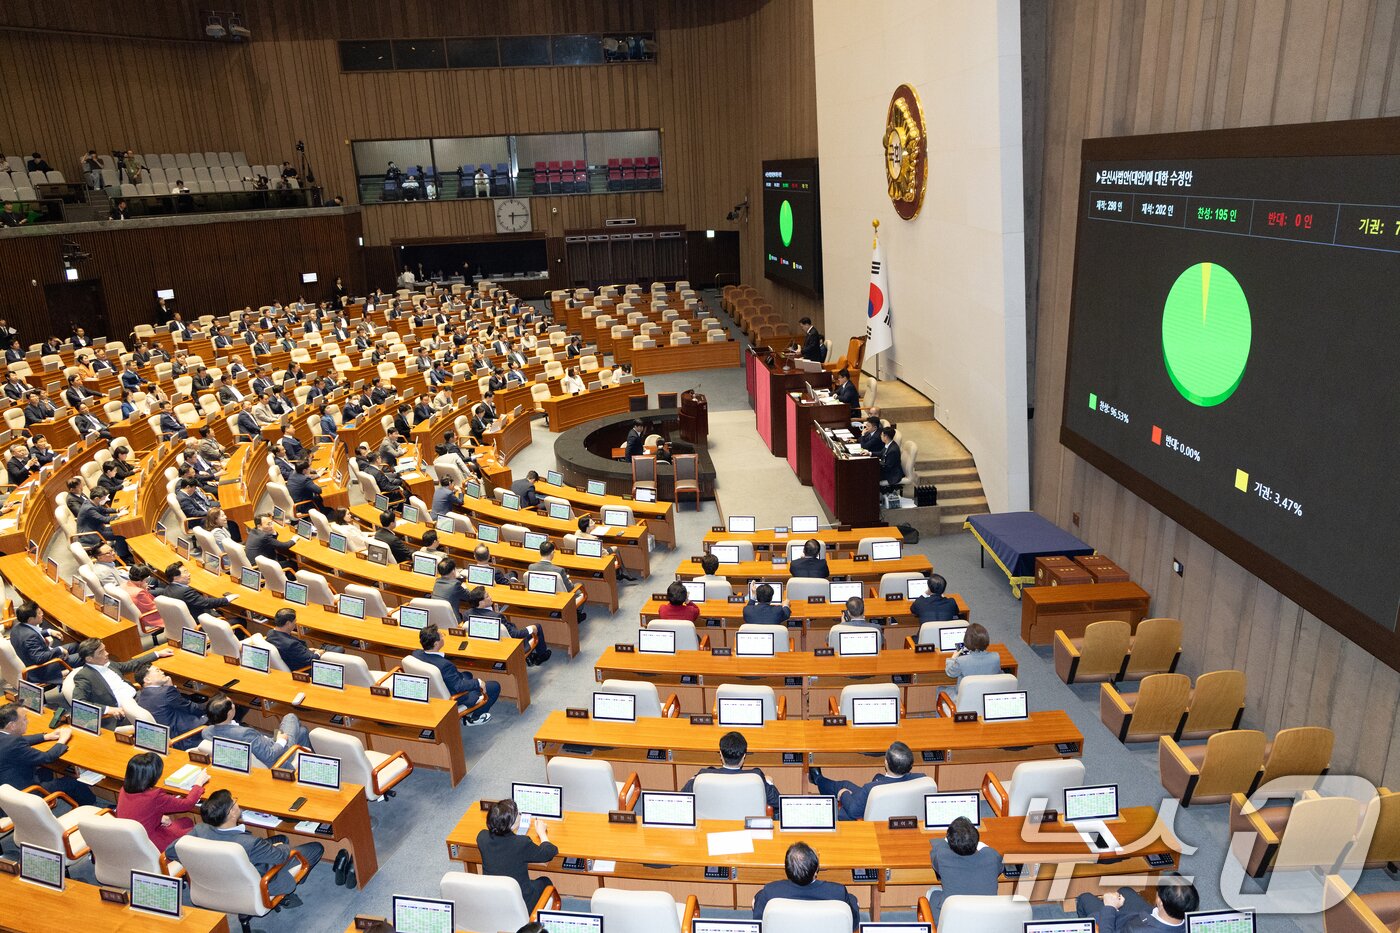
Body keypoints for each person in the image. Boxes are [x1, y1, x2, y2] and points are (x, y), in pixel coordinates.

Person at [189, 789, 323, 908]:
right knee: (315, 848)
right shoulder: (250, 843)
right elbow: (281, 855)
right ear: (231, 813)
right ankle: (293, 882)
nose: (236, 803)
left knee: (280, 838)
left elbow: (172, 851)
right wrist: (279, 847)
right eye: (233, 801)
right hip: (261, 883)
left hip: (219, 881)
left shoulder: (199, 829)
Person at [0, 703, 98, 809]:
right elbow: (47, 758)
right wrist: (62, 740)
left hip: (7, 786)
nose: (27, 721)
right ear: (12, 725)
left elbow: (19, 740)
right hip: (23, 793)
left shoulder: (7, 737)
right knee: (73, 782)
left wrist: (46, 737)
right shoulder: (13, 743)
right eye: (24, 719)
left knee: (46, 771)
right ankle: (91, 807)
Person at [117, 751, 207, 858]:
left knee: (185, 822)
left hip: (130, 841)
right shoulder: (154, 797)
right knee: (193, 828)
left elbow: (136, 812)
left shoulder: (124, 789)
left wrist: (158, 818)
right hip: (151, 845)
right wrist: (198, 784)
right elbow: (188, 804)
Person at [809, 741, 927, 821]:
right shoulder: (922, 779)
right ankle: (818, 779)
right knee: (846, 784)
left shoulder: (872, 789)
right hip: (906, 819)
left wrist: (843, 794)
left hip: (874, 821)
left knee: (843, 789)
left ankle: (818, 779)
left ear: (886, 762)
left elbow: (854, 812)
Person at [753, 842, 859, 928]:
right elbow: (852, 924)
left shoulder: (771, 891)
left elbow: (759, 923)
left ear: (787, 870)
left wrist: (757, 898)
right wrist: (853, 900)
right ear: (816, 871)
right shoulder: (838, 892)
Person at [411, 624, 500, 725]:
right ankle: (475, 718)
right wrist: (478, 682)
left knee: (467, 674)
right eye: (441, 637)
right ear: (436, 644)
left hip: (432, 691)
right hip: (454, 696)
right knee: (494, 686)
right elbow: (458, 687)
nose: (443, 637)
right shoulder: (445, 665)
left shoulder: (416, 653)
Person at [70, 638, 171, 725]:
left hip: (139, 696)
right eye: (101, 652)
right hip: (125, 712)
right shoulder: (84, 676)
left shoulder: (108, 664)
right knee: (166, 707)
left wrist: (157, 654)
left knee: (169, 698)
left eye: (104, 649)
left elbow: (131, 664)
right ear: (89, 659)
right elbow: (79, 703)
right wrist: (108, 709)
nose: (107, 653)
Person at [477, 798, 557, 907]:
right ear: (512, 824)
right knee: (545, 881)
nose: (520, 815)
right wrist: (542, 833)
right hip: (522, 903)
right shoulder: (521, 843)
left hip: (494, 899)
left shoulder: (482, 837)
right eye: (518, 814)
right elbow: (549, 852)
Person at [922, 815, 1005, 914]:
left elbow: (939, 847)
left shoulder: (942, 856)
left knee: (932, 892)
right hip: (986, 918)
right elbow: (1000, 867)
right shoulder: (992, 857)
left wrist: (947, 839)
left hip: (952, 920)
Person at [203, 693, 310, 768]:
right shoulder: (245, 734)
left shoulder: (206, 732)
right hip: (279, 758)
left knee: (302, 731)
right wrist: (281, 741)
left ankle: (309, 761)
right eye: (232, 704)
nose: (234, 705)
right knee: (290, 717)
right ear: (229, 714)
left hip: (264, 746)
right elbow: (270, 756)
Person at [683, 730, 780, 810]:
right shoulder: (757, 778)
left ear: (720, 754)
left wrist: (693, 780)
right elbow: (778, 802)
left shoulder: (703, 776)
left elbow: (682, 797)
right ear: (744, 756)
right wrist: (768, 782)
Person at [1076, 872, 1200, 933]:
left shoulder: (1135, 930)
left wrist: (1110, 908)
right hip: (1145, 917)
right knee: (1126, 891)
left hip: (1120, 926)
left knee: (1084, 898)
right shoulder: (1194, 927)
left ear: (1160, 902)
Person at [463, 586, 550, 665]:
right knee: (537, 626)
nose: (491, 597)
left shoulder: (467, 614)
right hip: (511, 646)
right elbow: (515, 635)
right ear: (481, 602)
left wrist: (494, 613)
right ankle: (542, 655)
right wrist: (531, 629)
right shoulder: (497, 617)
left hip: (486, 646)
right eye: (487, 596)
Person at [135, 662, 208, 749]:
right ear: (147, 680)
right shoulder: (165, 692)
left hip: (166, 737)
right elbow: (195, 709)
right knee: (218, 711)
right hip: (184, 738)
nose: (162, 672)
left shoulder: (141, 696)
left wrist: (170, 687)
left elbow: (175, 702)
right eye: (157, 671)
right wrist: (214, 703)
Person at [9, 602, 77, 687]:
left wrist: (49, 632)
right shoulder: (30, 637)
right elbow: (39, 658)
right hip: (43, 669)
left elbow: (32, 634)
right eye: (39, 613)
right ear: (30, 619)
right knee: (81, 656)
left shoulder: (17, 627)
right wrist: (59, 649)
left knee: (76, 645)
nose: (42, 614)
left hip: (33, 659)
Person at [157, 561, 239, 617]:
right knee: (239, 620)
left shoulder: (167, 589)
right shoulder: (185, 592)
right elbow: (206, 603)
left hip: (187, 618)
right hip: (199, 620)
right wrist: (227, 599)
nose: (189, 574)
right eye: (185, 572)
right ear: (175, 578)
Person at [77, 486, 131, 560]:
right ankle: (123, 557)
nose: (106, 499)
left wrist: (118, 510)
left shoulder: (91, 502)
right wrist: (119, 515)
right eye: (104, 498)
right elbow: (105, 519)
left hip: (99, 528)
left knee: (120, 530)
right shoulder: (89, 509)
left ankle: (122, 552)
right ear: (97, 498)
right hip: (92, 534)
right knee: (120, 535)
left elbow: (104, 510)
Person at [879, 427, 904, 493]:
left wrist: (875, 463)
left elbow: (888, 467)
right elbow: (881, 453)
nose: (880, 436)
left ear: (886, 437)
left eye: (881, 435)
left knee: (870, 476)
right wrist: (870, 453)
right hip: (887, 469)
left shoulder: (893, 450)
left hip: (892, 474)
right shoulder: (888, 444)